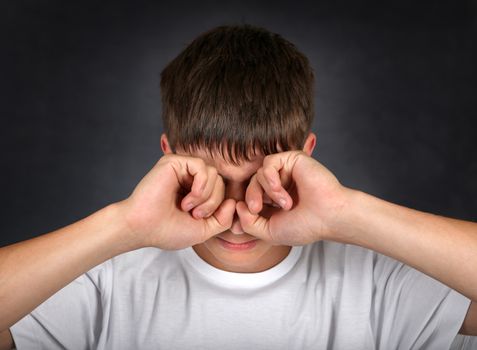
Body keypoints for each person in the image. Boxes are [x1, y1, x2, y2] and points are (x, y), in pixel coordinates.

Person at [0, 24, 476, 350]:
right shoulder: (107, 278)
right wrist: (125, 223)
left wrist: (348, 213)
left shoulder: (376, 281)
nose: (236, 213)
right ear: (168, 157)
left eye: (260, 181)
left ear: (306, 155)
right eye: (209, 181)